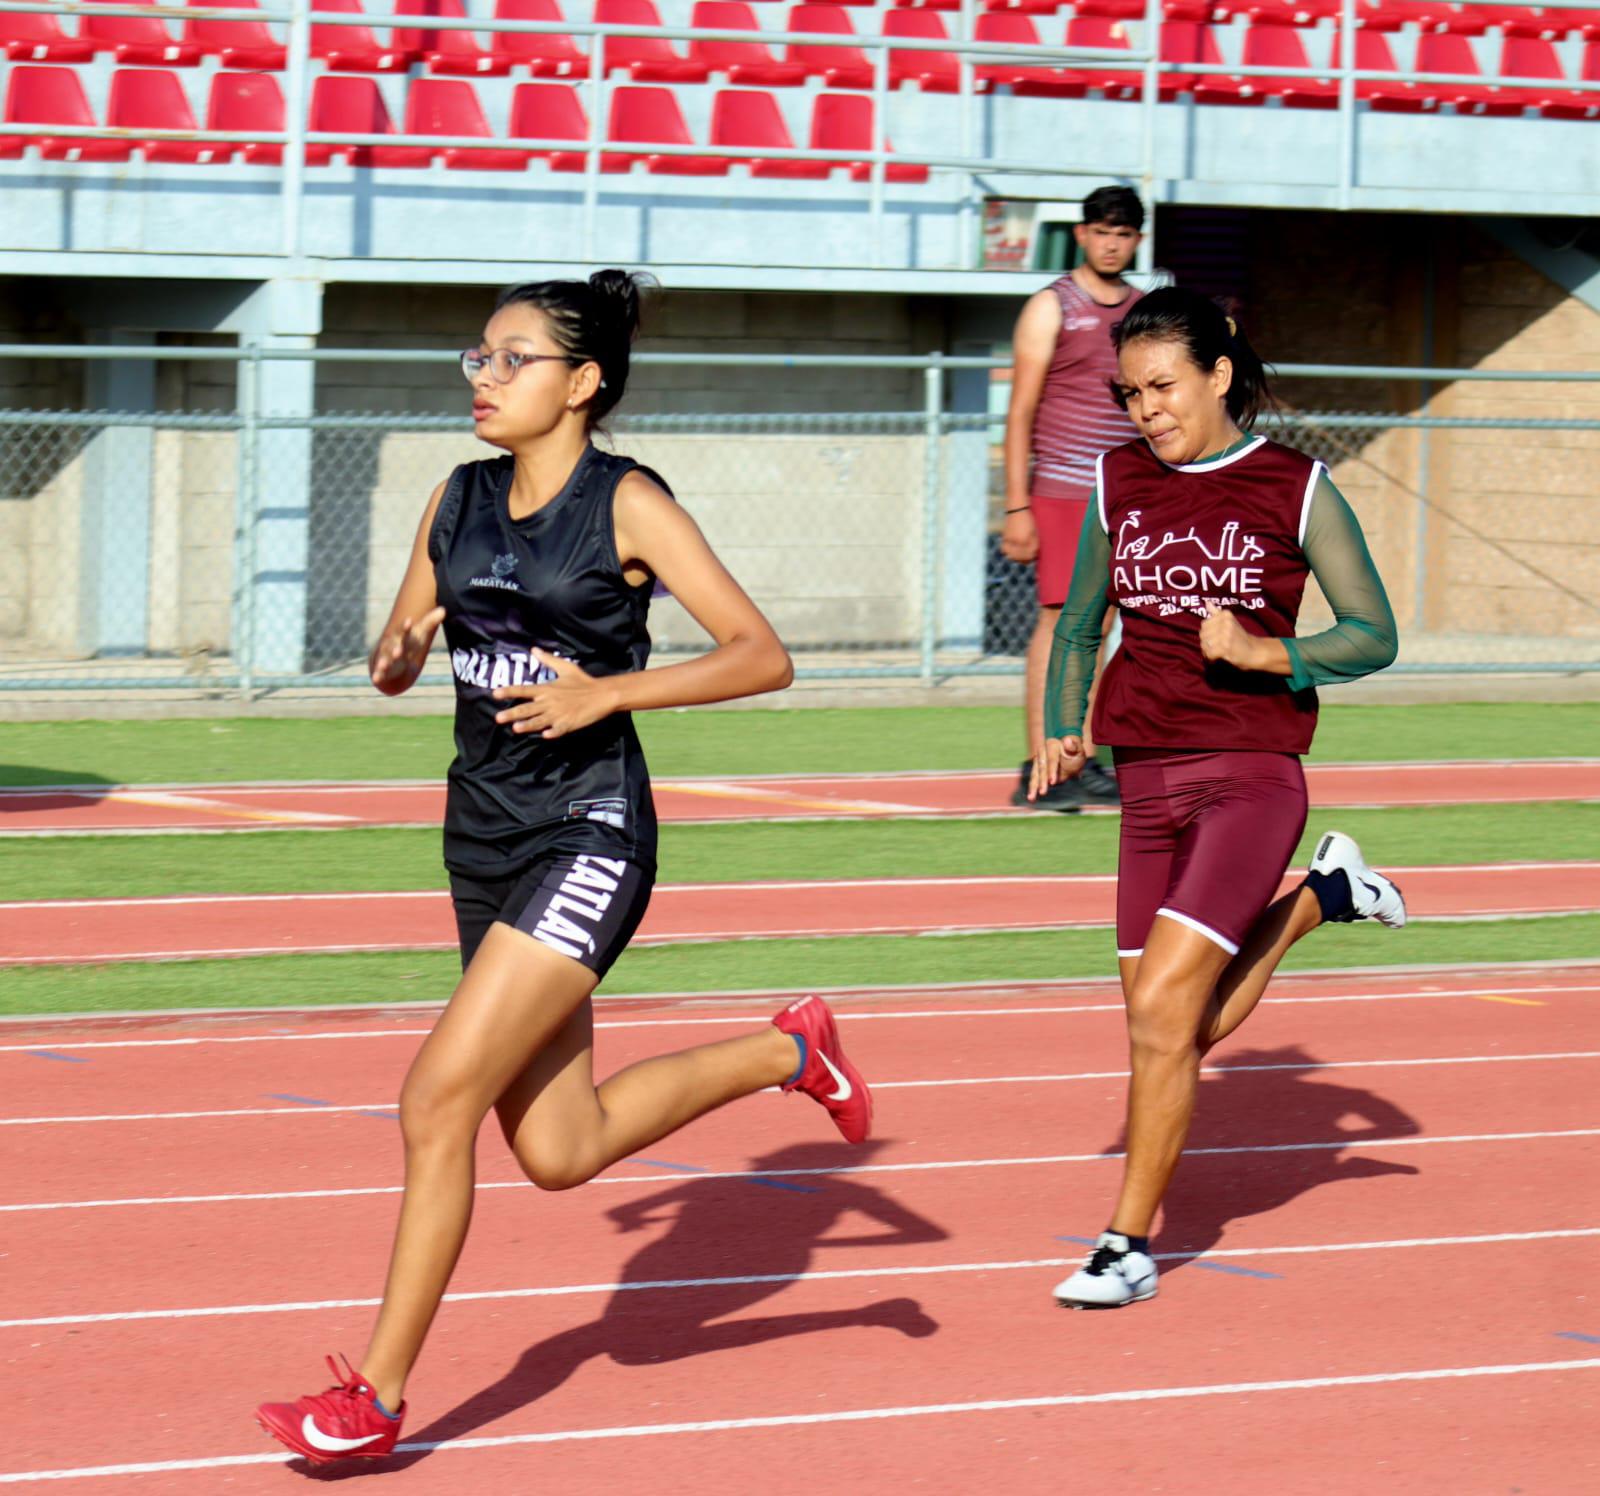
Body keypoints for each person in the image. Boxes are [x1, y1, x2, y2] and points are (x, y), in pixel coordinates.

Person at [256, 271, 873, 1463]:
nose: (484, 378)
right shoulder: (457, 495)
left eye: (512, 357)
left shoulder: (627, 503)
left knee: (435, 1100)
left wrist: (611, 690)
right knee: (560, 1149)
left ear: (582, 381)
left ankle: (372, 1400)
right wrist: (395, 649)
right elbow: (394, 661)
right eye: (476, 357)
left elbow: (762, 653)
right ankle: (790, 1049)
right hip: (479, 830)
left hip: (588, 828)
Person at [1030, 286, 1404, 1309]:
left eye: (1161, 387)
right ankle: (1321, 899)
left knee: (1162, 1009)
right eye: (1128, 392)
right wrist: (1061, 721)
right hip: (1142, 774)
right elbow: (1076, 624)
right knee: (1167, 1026)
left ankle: (1124, 1245)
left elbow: (1372, 633)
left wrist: (1264, 649)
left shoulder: (1296, 486)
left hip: (1249, 768)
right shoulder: (1116, 477)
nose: (1144, 409)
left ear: (1218, 375)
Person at [1001, 184, 1146, 811]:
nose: (1112, 243)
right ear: (1082, 234)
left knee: (1105, 625)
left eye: (1124, 233)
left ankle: (1078, 755)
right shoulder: (1051, 305)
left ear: (1136, 240)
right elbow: (1020, 411)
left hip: (1124, 494)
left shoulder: (1145, 311)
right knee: (1060, 621)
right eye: (1102, 231)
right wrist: (1015, 505)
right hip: (1061, 490)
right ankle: (1042, 767)